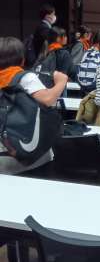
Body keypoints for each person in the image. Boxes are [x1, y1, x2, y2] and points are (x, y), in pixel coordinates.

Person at [0, 37, 68, 175]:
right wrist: (61, 82)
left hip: (4, 153)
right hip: (33, 158)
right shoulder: (24, 77)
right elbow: (48, 99)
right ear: (22, 59)